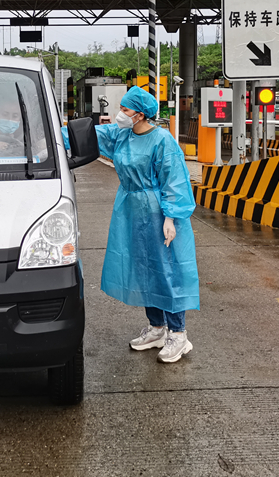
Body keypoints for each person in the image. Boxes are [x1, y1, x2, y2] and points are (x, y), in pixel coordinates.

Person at [64, 86, 199, 363]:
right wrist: (43, 131)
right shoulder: (121, 135)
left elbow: (174, 178)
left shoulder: (162, 140)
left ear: (139, 114)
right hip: (130, 211)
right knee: (144, 269)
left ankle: (178, 334)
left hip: (158, 212)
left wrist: (171, 217)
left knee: (166, 270)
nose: (120, 114)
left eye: (125, 110)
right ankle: (157, 328)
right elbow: (83, 136)